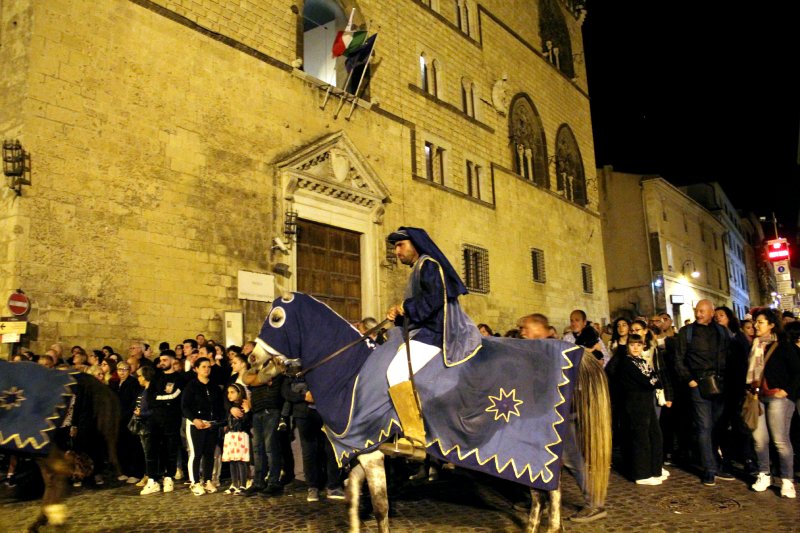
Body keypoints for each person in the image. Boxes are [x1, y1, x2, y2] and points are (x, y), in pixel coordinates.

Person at [385, 227, 481, 361]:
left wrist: (404, 307)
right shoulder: (419, 267)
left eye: (401, 245)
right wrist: (398, 312)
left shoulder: (428, 265)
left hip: (435, 332)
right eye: (395, 247)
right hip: (425, 330)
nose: (397, 251)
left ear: (415, 243)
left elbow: (432, 300)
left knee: (397, 372)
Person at [673, 299, 734, 485]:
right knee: (704, 426)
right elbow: (678, 359)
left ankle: (716, 463)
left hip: (721, 384)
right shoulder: (687, 332)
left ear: (711, 312)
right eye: (696, 310)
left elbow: (729, 355)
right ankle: (709, 468)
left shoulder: (722, 331)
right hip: (699, 385)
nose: (698, 314)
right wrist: (689, 380)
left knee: (717, 426)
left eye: (702, 311)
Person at [747, 310, 799, 498]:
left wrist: (786, 391)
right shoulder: (754, 345)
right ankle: (764, 474)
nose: (755, 326)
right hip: (757, 398)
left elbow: (797, 371)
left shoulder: (783, 345)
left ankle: (787, 480)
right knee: (759, 440)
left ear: (771, 325)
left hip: (779, 398)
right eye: (755, 322)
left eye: (760, 322)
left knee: (780, 440)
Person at [618, 334, 666, 485]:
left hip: (646, 401)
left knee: (654, 434)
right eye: (632, 345)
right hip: (635, 402)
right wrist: (652, 382)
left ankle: (654, 468)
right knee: (641, 437)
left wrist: (652, 381)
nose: (636, 348)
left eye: (639, 345)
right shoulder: (626, 362)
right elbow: (646, 381)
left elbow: (655, 378)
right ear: (628, 346)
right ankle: (642, 474)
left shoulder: (642, 361)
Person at [182, 357, 224, 496]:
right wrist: (194, 419)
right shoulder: (191, 386)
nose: (207, 369)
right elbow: (185, 406)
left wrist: (219, 421)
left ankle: (207, 480)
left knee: (209, 453)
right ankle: (194, 482)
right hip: (196, 424)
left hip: (211, 424)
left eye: (208, 367)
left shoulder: (214, 386)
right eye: (203, 367)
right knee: (196, 453)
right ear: (196, 369)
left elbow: (218, 405)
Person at [222, 383, 251, 495]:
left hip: (240, 435)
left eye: (232, 392)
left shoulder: (243, 406)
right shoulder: (230, 408)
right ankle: (234, 484)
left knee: (241, 461)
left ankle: (243, 485)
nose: (229, 395)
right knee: (232, 461)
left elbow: (247, 422)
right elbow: (226, 421)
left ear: (239, 393)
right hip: (230, 435)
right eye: (228, 392)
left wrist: (247, 411)